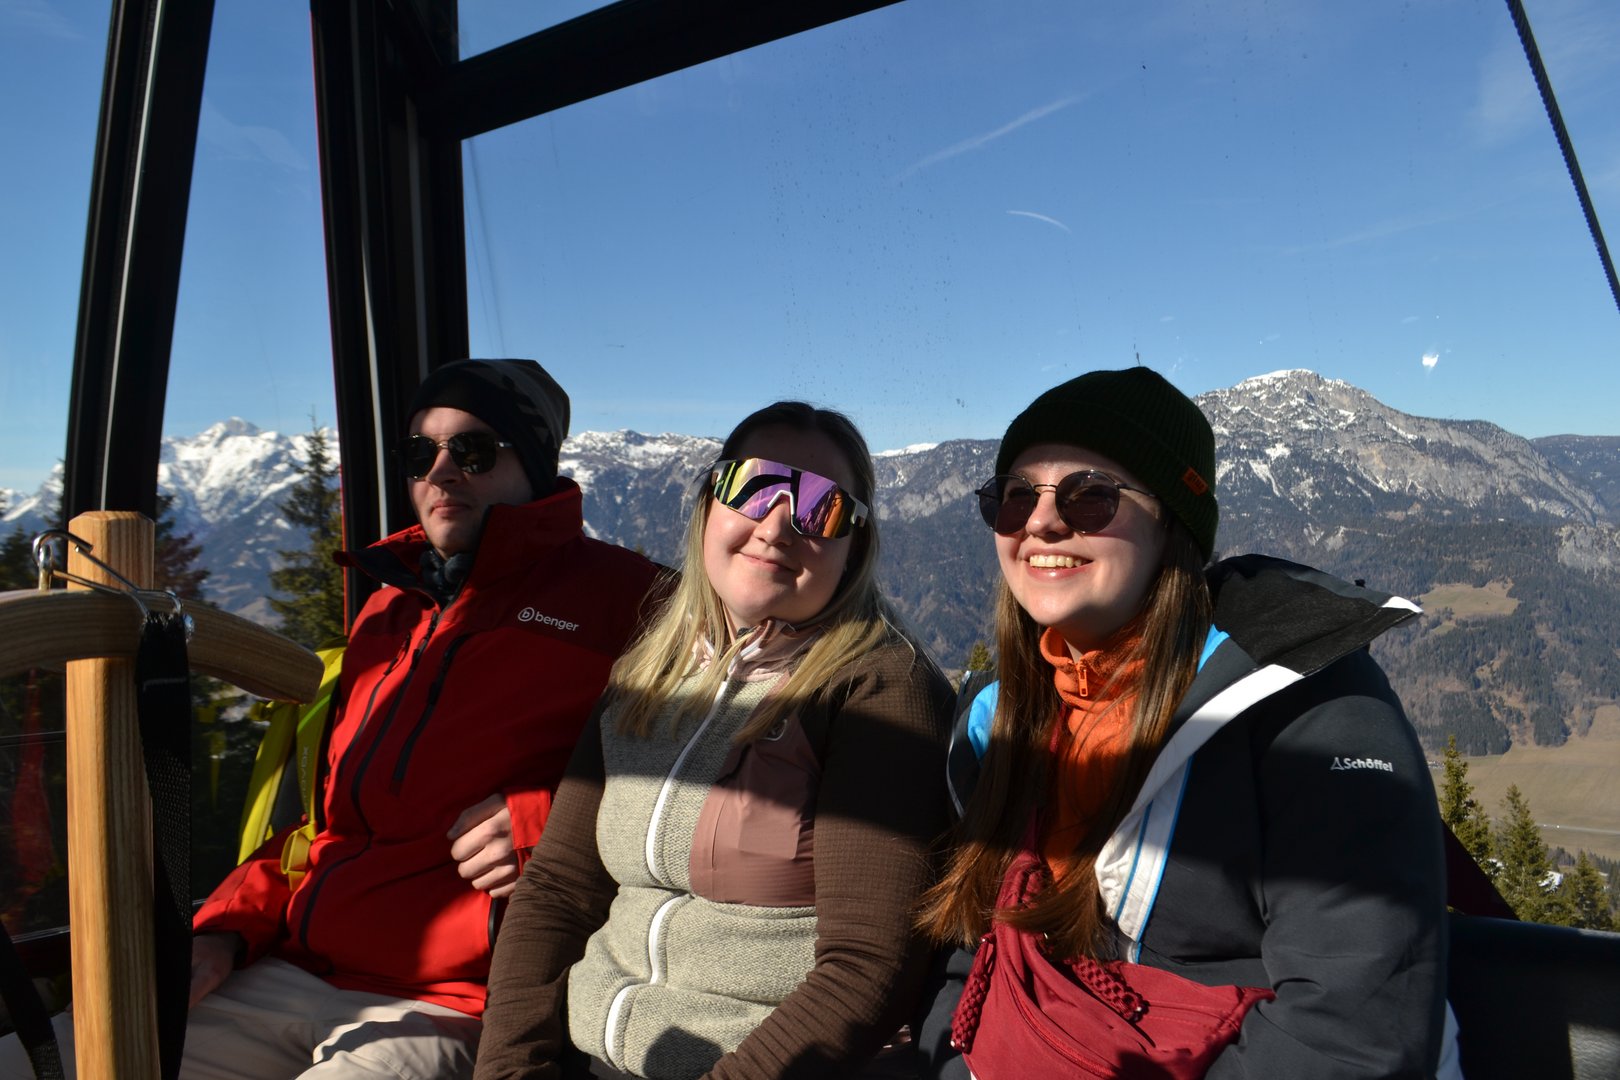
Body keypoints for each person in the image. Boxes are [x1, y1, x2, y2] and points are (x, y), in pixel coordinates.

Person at [0, 359, 664, 1079]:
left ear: (533, 463)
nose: (441, 474)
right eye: (420, 453)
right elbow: (323, 828)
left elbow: (711, 788)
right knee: (38, 1062)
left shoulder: (633, 604)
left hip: (457, 998)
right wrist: (225, 931)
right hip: (293, 970)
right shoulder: (387, 612)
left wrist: (549, 825)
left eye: (473, 451)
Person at [914, 367, 1462, 1079]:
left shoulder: (1305, 704)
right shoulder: (996, 724)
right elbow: (974, 956)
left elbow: (1354, 1037)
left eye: (1090, 495)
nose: (1041, 522)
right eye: (1015, 496)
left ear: (1171, 522)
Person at [473, 401, 955, 1080]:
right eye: (753, 485)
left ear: (854, 545)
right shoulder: (650, 672)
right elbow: (557, 890)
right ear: (709, 504)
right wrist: (509, 1068)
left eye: (822, 507)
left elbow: (867, 967)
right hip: (586, 1056)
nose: (778, 525)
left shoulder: (878, 689)